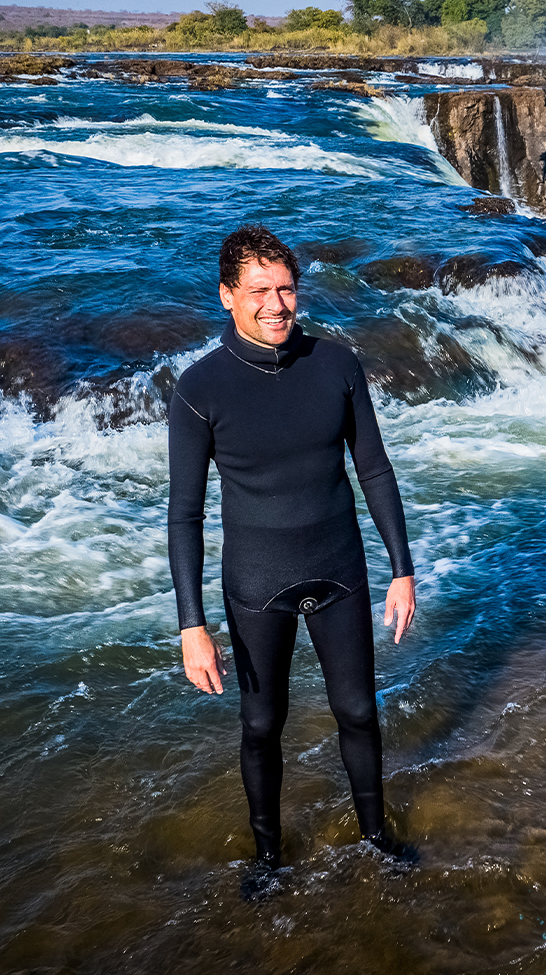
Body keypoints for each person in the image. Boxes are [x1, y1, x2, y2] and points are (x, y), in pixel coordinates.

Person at [167, 224, 418, 890]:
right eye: (259, 291)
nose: (277, 304)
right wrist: (193, 626)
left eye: (286, 288)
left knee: (360, 712)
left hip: (339, 568)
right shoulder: (200, 389)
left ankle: (377, 839)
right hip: (257, 583)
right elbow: (184, 513)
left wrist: (402, 570)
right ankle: (268, 859)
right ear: (228, 296)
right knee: (261, 725)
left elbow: (375, 470)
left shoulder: (335, 365)